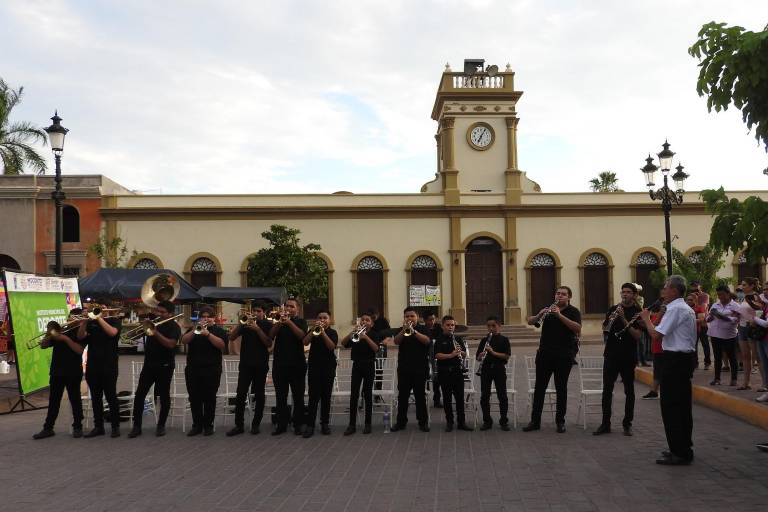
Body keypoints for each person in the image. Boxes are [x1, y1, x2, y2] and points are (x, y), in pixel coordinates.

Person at [640, 275, 697, 465]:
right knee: (682, 406)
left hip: (675, 360)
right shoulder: (683, 308)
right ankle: (682, 447)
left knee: (671, 406)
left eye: (665, 287)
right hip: (683, 358)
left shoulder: (676, 309)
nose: (663, 291)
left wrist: (646, 319)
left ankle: (679, 451)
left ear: (674, 290)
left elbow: (656, 334)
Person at [523, 286, 581, 434]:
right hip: (544, 355)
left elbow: (577, 328)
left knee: (561, 389)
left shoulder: (573, 312)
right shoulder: (548, 308)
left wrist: (559, 315)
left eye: (563, 294)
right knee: (539, 389)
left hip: (564, 356)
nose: (559, 296)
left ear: (569, 297)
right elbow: (530, 321)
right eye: (558, 293)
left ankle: (560, 422)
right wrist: (539, 315)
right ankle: (535, 421)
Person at [593, 283, 645, 437]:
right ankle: (605, 423)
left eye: (628, 292)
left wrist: (623, 319)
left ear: (635, 295)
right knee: (607, 390)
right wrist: (611, 320)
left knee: (629, 390)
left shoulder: (638, 312)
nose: (625, 295)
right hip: (611, 354)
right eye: (623, 292)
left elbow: (637, 335)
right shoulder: (613, 308)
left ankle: (627, 424)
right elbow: (605, 329)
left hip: (628, 356)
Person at [128, 301, 181, 438]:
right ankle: (137, 426)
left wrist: (154, 332)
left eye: (162, 312)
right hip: (149, 365)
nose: (159, 314)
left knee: (163, 396)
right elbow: (129, 337)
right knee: (140, 394)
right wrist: (143, 328)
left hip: (165, 365)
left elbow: (170, 344)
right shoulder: (152, 323)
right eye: (158, 311)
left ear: (170, 313)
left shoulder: (174, 327)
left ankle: (161, 425)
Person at [33, 308, 86, 439]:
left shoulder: (81, 333)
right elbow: (43, 346)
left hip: (73, 371)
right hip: (57, 371)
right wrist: (48, 334)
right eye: (70, 317)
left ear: (80, 321)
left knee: (75, 399)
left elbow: (79, 350)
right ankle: (48, 428)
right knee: (54, 401)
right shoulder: (60, 331)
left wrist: (65, 339)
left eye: (75, 318)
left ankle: (78, 426)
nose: (71, 320)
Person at [78, 300, 123, 438]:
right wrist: (85, 321)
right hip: (93, 365)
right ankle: (98, 426)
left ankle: (115, 426)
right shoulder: (91, 323)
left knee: (111, 396)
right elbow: (80, 336)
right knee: (95, 398)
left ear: (107, 309)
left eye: (102, 308)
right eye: (97, 309)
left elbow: (112, 333)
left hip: (109, 365)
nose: (99, 310)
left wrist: (99, 318)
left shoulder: (114, 321)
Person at [226, 305, 273, 436]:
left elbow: (268, 343)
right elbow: (231, 337)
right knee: (240, 394)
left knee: (259, 394)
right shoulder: (245, 324)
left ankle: (256, 424)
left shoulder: (267, 324)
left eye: (259, 311)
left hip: (261, 364)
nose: (256, 313)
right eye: (254, 311)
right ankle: (239, 425)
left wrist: (258, 330)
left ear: (263, 312)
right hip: (246, 364)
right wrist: (241, 324)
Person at [180, 306, 226, 436]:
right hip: (193, 369)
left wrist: (208, 334)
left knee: (210, 398)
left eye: (208, 317)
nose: (206, 319)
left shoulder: (218, 330)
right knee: (194, 398)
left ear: (213, 318)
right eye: (203, 316)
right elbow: (184, 341)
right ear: (200, 318)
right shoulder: (194, 329)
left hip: (212, 369)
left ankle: (208, 425)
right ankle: (197, 425)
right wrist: (195, 330)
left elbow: (222, 345)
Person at [269, 298, 308, 436]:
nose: (288, 308)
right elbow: (271, 336)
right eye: (287, 306)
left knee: (298, 396)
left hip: (297, 364)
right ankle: (281, 424)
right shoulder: (279, 321)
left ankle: (298, 424)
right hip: (280, 364)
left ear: (297, 309)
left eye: (292, 306)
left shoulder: (301, 322)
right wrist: (279, 322)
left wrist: (289, 322)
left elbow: (302, 337)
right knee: (281, 397)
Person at [391, 307, 431, 432]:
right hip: (404, 368)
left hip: (420, 368)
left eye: (412, 316)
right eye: (407, 316)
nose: (409, 318)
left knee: (420, 396)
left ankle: (422, 422)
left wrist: (414, 332)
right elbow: (396, 342)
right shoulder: (401, 329)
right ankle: (401, 422)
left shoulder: (424, 329)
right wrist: (403, 331)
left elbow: (427, 341)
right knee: (402, 396)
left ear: (417, 317)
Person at [342, 314, 381, 435]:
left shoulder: (374, 334)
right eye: (363, 319)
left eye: (367, 320)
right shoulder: (356, 334)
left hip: (369, 365)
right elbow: (343, 343)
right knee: (354, 394)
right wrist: (352, 333)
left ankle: (368, 424)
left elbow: (376, 349)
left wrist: (365, 338)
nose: (364, 321)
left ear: (371, 323)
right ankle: (351, 425)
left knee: (368, 394)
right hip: (357, 366)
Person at [302, 310, 338, 437]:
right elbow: (305, 342)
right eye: (320, 318)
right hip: (314, 368)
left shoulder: (332, 332)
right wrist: (313, 331)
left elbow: (331, 347)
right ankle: (310, 425)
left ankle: (324, 424)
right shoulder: (313, 330)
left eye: (325, 318)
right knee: (313, 398)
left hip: (328, 368)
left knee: (326, 397)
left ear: (329, 320)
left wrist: (322, 333)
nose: (322, 320)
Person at [434, 315, 472, 432]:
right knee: (447, 398)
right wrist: (451, 355)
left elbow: (465, 355)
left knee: (460, 398)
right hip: (444, 372)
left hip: (457, 371)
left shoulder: (458, 339)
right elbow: (437, 355)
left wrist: (461, 352)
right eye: (448, 325)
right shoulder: (439, 339)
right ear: (443, 326)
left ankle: (461, 422)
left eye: (452, 325)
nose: (450, 327)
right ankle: (449, 422)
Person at [477, 315, 511, 431]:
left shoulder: (504, 340)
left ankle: (504, 421)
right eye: (488, 326)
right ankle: (487, 421)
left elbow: (506, 356)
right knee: (484, 396)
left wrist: (492, 352)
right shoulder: (484, 340)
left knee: (502, 396)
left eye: (493, 326)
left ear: (499, 326)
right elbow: (478, 357)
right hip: (486, 369)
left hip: (499, 369)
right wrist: (480, 356)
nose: (491, 328)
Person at [705, 285, 740, 387]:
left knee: (732, 357)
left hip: (729, 335)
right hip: (715, 334)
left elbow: (735, 320)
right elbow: (707, 318)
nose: (720, 296)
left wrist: (721, 316)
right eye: (718, 294)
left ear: (728, 294)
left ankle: (734, 379)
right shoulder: (715, 305)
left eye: (722, 294)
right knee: (717, 357)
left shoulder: (735, 306)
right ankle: (717, 378)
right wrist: (711, 317)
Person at [737, 278, 763, 391]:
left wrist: (754, 320)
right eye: (742, 285)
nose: (742, 287)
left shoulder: (756, 296)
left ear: (752, 286)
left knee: (757, 357)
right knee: (745, 356)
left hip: (752, 328)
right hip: (742, 327)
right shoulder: (742, 297)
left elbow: (760, 311)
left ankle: (764, 384)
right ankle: (746, 383)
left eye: (744, 285)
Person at [690, 281, 711, 370]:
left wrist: (696, 299)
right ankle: (695, 363)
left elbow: (703, 307)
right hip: (693, 323)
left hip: (703, 323)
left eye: (696, 286)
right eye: (693, 287)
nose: (695, 288)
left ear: (700, 286)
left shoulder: (705, 296)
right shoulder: (690, 296)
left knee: (705, 343)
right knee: (693, 344)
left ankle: (707, 362)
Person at [424, 313, 443, 408]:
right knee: (425, 378)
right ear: (425, 321)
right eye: (430, 320)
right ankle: (424, 399)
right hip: (425, 356)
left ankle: (437, 400)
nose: (432, 322)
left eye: (433, 319)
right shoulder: (423, 329)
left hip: (435, 356)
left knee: (436, 378)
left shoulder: (439, 328)